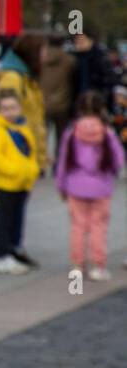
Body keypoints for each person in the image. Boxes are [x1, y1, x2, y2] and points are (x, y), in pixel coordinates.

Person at [56, 92, 123, 282]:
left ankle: (77, 266)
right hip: (101, 187)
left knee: (78, 226)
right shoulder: (107, 133)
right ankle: (98, 266)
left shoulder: (71, 133)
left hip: (76, 186)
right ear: (102, 109)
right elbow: (118, 160)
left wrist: (61, 186)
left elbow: (62, 162)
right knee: (98, 227)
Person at [0, 90, 40, 275]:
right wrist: (14, 170)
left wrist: (31, 170)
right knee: (3, 218)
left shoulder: (23, 128)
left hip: (23, 183)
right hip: (6, 182)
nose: (9, 112)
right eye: (5, 108)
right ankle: (2, 254)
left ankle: (14, 248)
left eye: (13, 108)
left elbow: (30, 152)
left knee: (18, 217)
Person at [40, 35, 75, 156]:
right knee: (61, 137)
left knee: (42, 136)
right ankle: (59, 164)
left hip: (42, 102)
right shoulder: (69, 60)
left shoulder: (40, 59)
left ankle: (41, 164)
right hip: (62, 103)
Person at [71, 31, 115, 107]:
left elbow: (108, 80)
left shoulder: (100, 57)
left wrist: (102, 100)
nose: (79, 43)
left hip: (95, 100)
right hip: (79, 99)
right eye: (77, 41)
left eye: (82, 40)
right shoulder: (74, 57)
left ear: (90, 40)